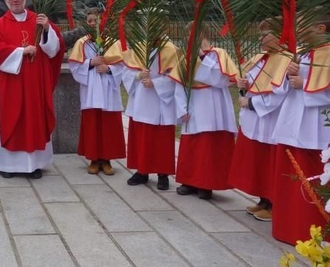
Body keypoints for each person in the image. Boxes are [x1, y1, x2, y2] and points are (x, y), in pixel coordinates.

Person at [0, 0, 64, 179]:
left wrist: (46, 30)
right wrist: (21, 51)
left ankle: (34, 165)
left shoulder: (39, 20)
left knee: (33, 120)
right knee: (11, 119)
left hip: (35, 81)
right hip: (11, 82)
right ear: (6, 1)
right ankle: (8, 165)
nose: (15, 0)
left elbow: (54, 49)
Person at [271, 14, 330, 244]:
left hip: (315, 125)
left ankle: (311, 230)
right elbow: (281, 87)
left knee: (312, 177)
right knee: (290, 177)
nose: (297, 28)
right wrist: (288, 77)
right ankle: (287, 227)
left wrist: (304, 86)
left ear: (320, 26)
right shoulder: (303, 52)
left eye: (303, 24)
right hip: (292, 120)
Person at [228, 20, 290, 222]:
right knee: (258, 160)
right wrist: (243, 85)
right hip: (254, 118)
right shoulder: (260, 58)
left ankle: (274, 204)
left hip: (270, 118)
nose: (260, 39)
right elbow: (249, 84)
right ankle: (263, 199)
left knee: (270, 160)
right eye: (260, 35)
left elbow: (280, 93)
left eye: (265, 35)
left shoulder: (286, 59)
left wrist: (252, 103)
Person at [171, 27, 238, 200]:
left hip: (215, 106)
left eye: (195, 34)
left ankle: (207, 184)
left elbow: (221, 80)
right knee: (192, 145)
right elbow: (179, 84)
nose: (190, 38)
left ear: (204, 34)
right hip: (193, 104)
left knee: (210, 145)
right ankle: (189, 181)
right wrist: (181, 108)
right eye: (189, 35)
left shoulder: (218, 53)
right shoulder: (187, 58)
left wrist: (202, 57)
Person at [67, 8, 126, 176]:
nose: (93, 23)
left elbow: (123, 66)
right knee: (92, 123)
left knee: (108, 125)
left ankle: (106, 159)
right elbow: (75, 67)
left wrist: (109, 68)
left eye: (97, 20)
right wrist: (91, 63)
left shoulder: (114, 43)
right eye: (90, 21)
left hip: (108, 88)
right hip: (91, 89)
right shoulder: (82, 43)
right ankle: (93, 159)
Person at [121, 38, 179, 191]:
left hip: (160, 101)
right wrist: (138, 76)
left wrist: (156, 83)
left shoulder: (170, 49)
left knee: (161, 139)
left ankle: (163, 174)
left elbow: (176, 76)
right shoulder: (139, 45)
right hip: (141, 98)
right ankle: (142, 171)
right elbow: (126, 71)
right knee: (142, 136)